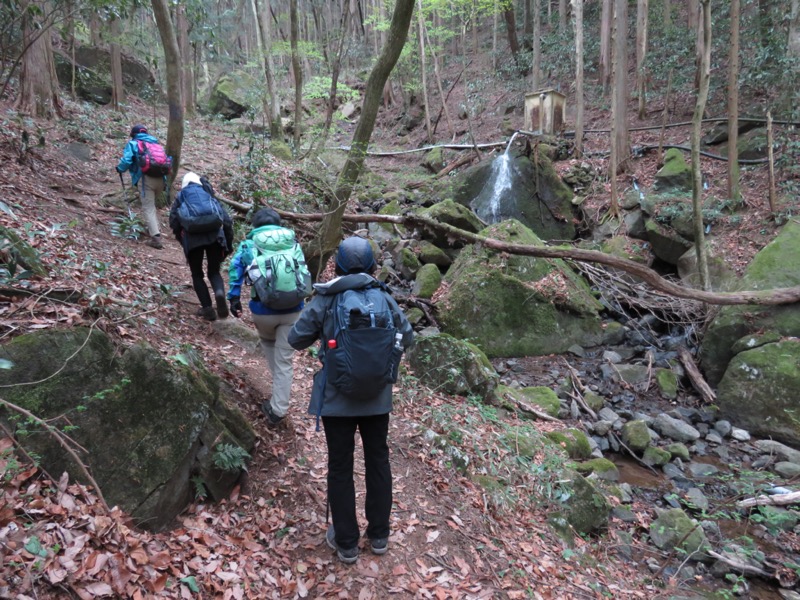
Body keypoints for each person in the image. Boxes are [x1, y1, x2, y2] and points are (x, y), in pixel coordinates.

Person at [288, 236, 413, 564]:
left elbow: (295, 338)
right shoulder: (384, 297)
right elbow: (408, 335)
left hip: (337, 400)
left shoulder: (327, 298)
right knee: (378, 460)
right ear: (372, 266)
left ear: (338, 266)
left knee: (340, 466)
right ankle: (380, 535)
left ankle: (346, 542)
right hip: (377, 398)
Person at [227, 208, 307, 427]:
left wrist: (234, 299)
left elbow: (235, 270)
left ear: (255, 226)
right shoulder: (293, 244)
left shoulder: (249, 245)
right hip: (293, 309)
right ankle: (278, 407)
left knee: (269, 344)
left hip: (262, 311)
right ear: (279, 225)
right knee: (284, 360)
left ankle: (278, 394)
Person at [169, 172, 233, 321]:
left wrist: (182, 240)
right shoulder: (208, 194)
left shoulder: (181, 196)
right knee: (214, 272)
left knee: (197, 274)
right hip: (215, 237)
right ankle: (219, 293)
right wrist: (228, 244)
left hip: (192, 240)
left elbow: (174, 221)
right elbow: (227, 221)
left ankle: (208, 309)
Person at [116, 124, 167, 249]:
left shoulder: (133, 144)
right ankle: (153, 228)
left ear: (133, 134)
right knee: (152, 206)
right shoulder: (156, 145)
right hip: (161, 179)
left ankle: (156, 238)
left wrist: (119, 168)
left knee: (148, 207)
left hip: (146, 179)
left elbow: (127, 160)